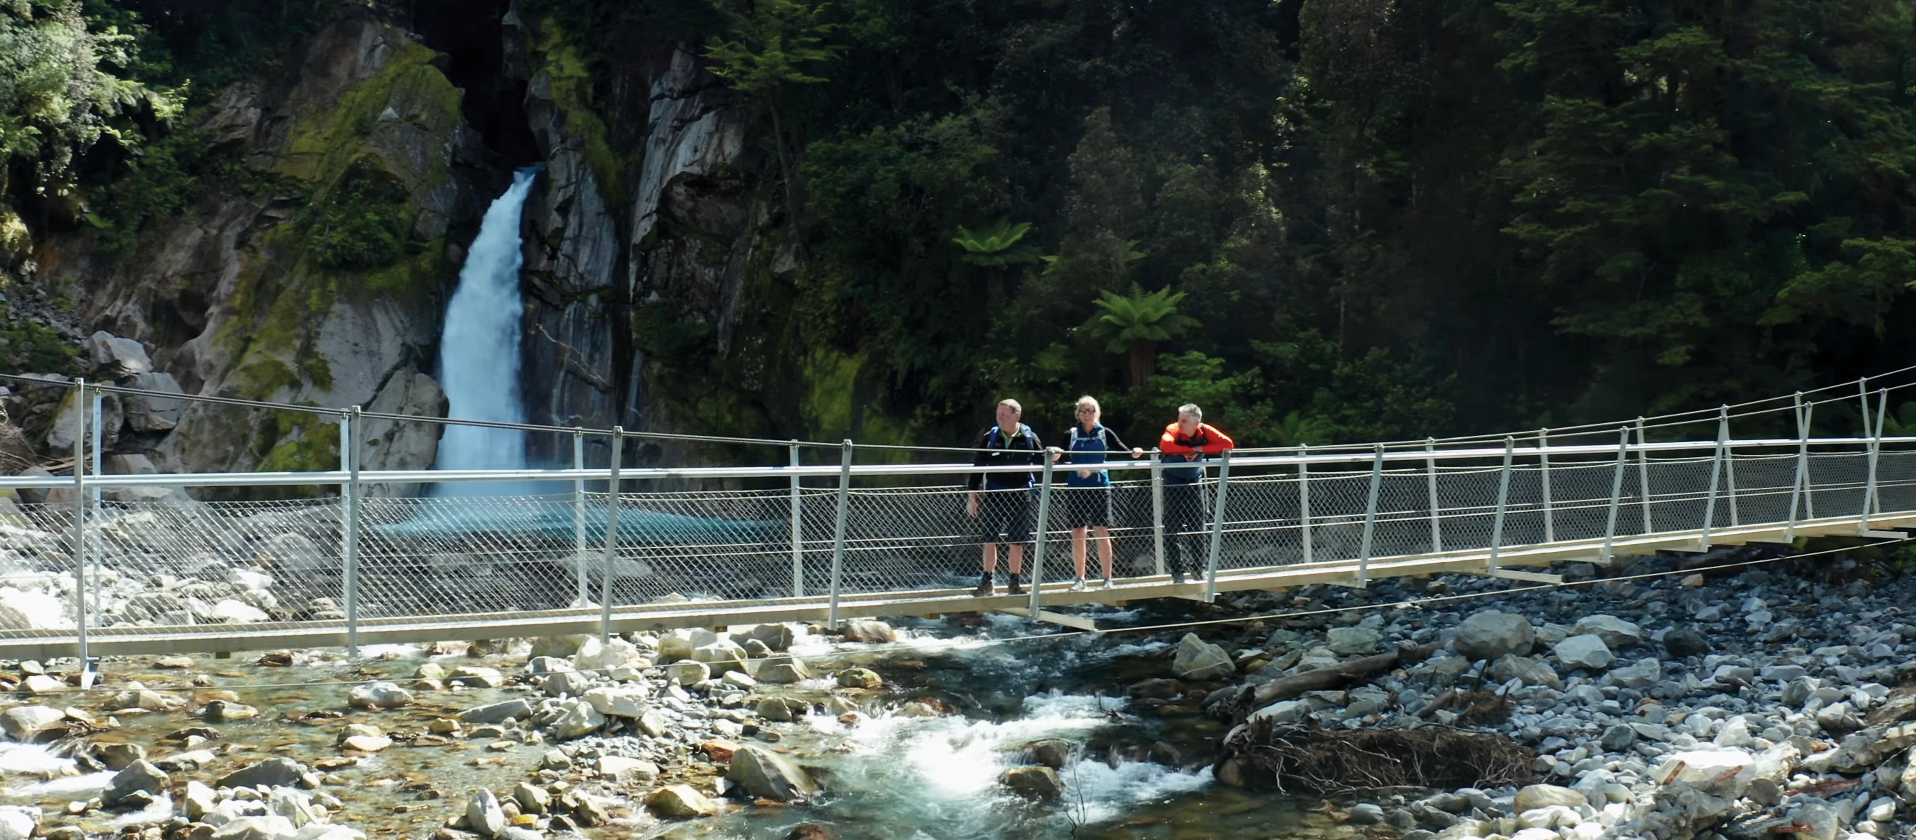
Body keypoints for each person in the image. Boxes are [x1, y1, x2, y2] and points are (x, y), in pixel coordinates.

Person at [1048, 396, 1142, 591]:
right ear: (1078, 414)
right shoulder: (1071, 434)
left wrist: (1135, 452)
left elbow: (1124, 451)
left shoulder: (1105, 433)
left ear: (1097, 412)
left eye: (1091, 411)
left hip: (1099, 487)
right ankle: (1079, 578)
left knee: (1101, 531)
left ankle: (1107, 578)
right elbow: (1060, 455)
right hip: (1076, 488)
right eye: (1083, 411)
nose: (1087, 414)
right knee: (1078, 532)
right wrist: (1055, 454)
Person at [966, 398, 1045, 596]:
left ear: (1016, 415)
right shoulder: (989, 437)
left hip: (1020, 494)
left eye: (1004, 414)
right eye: (998, 414)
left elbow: (1043, 462)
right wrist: (972, 494)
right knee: (989, 538)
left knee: (1017, 540)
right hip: (994, 492)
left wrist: (1055, 456)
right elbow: (977, 467)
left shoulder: (1029, 437)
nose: (999, 418)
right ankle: (987, 581)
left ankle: (1014, 582)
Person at [1159, 403, 1235, 584]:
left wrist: (1201, 449)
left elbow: (1227, 444)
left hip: (1194, 481)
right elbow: (1166, 445)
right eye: (1179, 418)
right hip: (1173, 482)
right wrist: (1191, 450)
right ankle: (1177, 571)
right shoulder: (1173, 429)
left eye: (1184, 420)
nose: (1180, 422)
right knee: (1171, 527)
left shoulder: (1205, 431)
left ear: (1196, 423)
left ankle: (1198, 569)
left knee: (1198, 526)